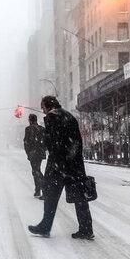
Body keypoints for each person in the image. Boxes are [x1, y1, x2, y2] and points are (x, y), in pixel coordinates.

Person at [28, 96, 94, 240]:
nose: (42, 109)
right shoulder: (68, 115)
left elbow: (52, 143)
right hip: (74, 164)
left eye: (42, 106)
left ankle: (45, 226)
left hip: (58, 165)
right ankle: (86, 228)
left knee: (50, 195)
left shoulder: (53, 117)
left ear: (48, 106)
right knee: (80, 197)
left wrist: (46, 142)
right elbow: (75, 140)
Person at [23, 113, 46, 199]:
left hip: (33, 153)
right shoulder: (42, 129)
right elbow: (45, 141)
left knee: (36, 171)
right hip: (39, 153)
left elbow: (26, 143)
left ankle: (42, 190)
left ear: (30, 120)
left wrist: (28, 153)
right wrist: (43, 150)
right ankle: (38, 190)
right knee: (36, 170)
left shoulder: (28, 129)